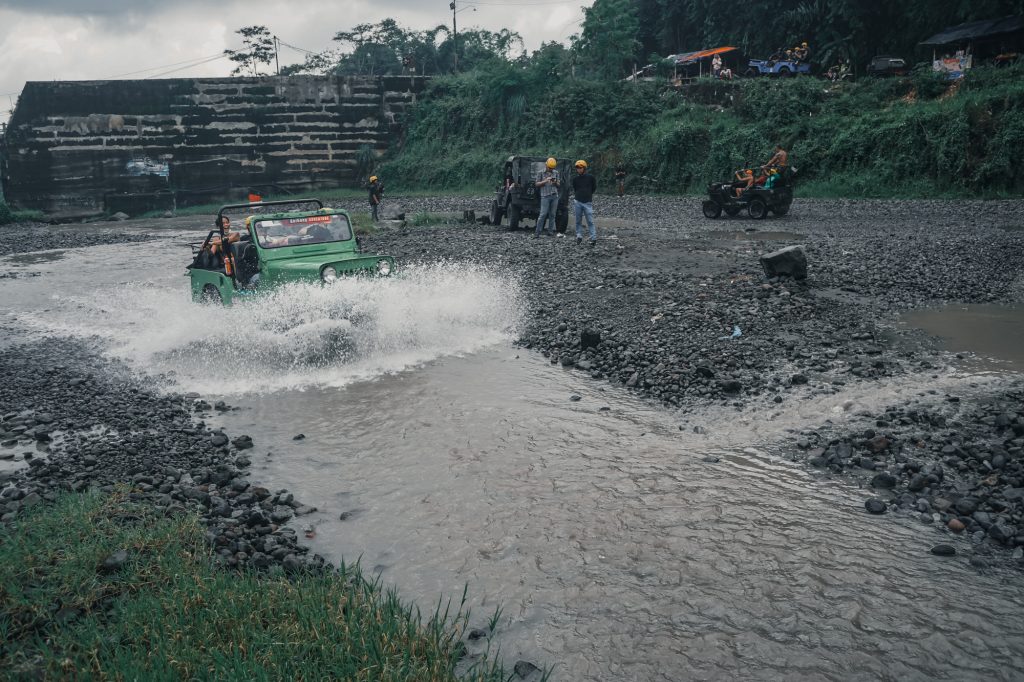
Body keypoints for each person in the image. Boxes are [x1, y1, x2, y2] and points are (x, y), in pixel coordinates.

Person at [571, 159, 597, 246]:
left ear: (584, 168)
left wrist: (588, 194)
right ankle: (579, 236)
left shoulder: (591, 177)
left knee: (590, 221)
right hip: (578, 201)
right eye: (577, 168)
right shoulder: (575, 179)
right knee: (578, 220)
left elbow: (594, 187)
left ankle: (593, 238)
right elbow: (575, 188)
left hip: (587, 202)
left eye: (580, 167)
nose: (578, 169)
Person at [534, 157, 561, 238]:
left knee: (553, 214)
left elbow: (559, 185)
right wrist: (545, 181)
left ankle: (550, 232)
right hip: (545, 196)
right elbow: (536, 184)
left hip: (554, 196)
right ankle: (537, 232)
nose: (551, 169)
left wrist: (555, 182)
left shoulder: (556, 172)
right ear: (546, 165)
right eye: (550, 168)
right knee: (543, 214)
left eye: (552, 168)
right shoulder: (540, 173)